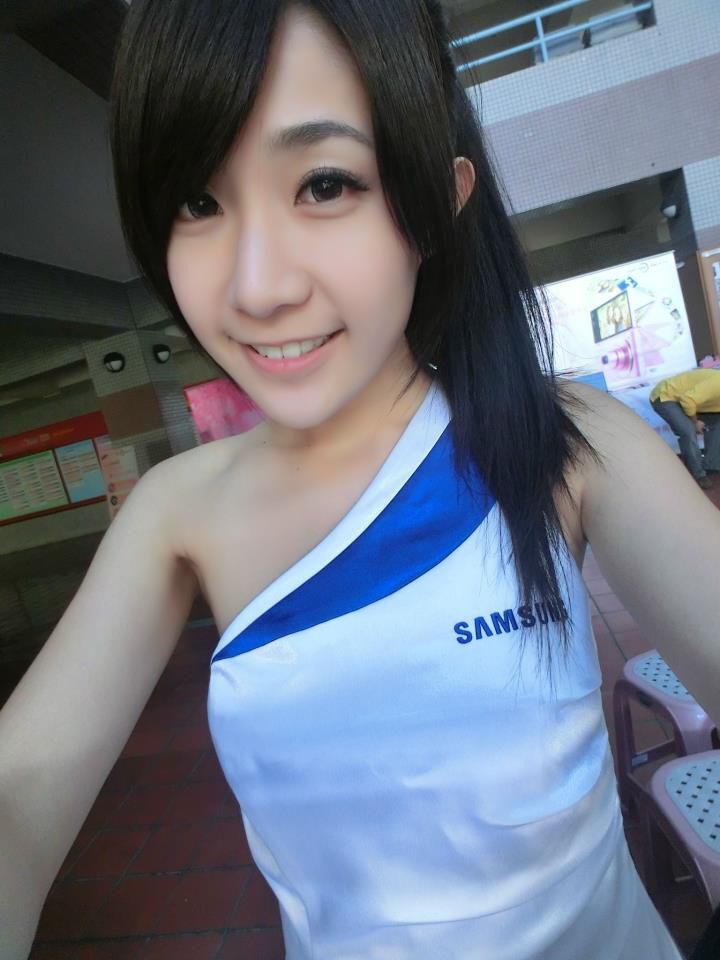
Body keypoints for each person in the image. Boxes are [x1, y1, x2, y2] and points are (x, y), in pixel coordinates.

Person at [1, 2, 719, 958]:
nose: (258, 288)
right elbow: (19, 791)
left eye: (326, 183)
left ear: (440, 199)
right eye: (198, 202)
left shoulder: (568, 441)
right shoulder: (177, 512)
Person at [650, 368, 720, 489]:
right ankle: (698, 474)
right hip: (667, 396)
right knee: (688, 431)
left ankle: (711, 465)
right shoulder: (717, 383)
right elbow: (687, 400)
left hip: (692, 401)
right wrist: (696, 422)